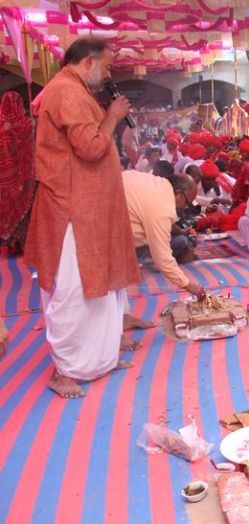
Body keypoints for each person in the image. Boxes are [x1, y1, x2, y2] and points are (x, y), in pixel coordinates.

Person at [24, 37, 140, 399]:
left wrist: (107, 116)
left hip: (91, 207)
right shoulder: (66, 92)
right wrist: (113, 116)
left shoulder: (75, 91)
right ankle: (65, 370)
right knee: (74, 292)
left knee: (101, 290)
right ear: (88, 63)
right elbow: (91, 147)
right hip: (73, 209)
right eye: (106, 68)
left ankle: (100, 357)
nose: (108, 75)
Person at [122, 168, 205, 297]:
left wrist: (182, 231)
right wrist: (188, 285)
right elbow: (163, 258)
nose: (185, 208)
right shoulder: (162, 207)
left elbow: (170, 224)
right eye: (187, 203)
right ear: (179, 194)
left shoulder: (159, 185)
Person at [0, 91, 34, 256]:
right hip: (25, 175)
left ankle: (11, 242)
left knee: (8, 209)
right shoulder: (26, 124)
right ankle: (24, 243)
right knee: (25, 211)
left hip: (5, 179)